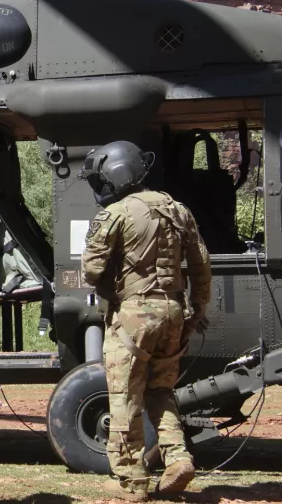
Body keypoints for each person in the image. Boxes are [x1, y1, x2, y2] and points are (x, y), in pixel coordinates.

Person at [80, 141, 210, 501]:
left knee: (124, 397)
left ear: (113, 175)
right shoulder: (178, 209)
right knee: (160, 391)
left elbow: (91, 272)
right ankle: (177, 458)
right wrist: (197, 309)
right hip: (173, 313)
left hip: (134, 317)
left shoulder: (115, 213)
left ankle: (131, 482)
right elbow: (201, 264)